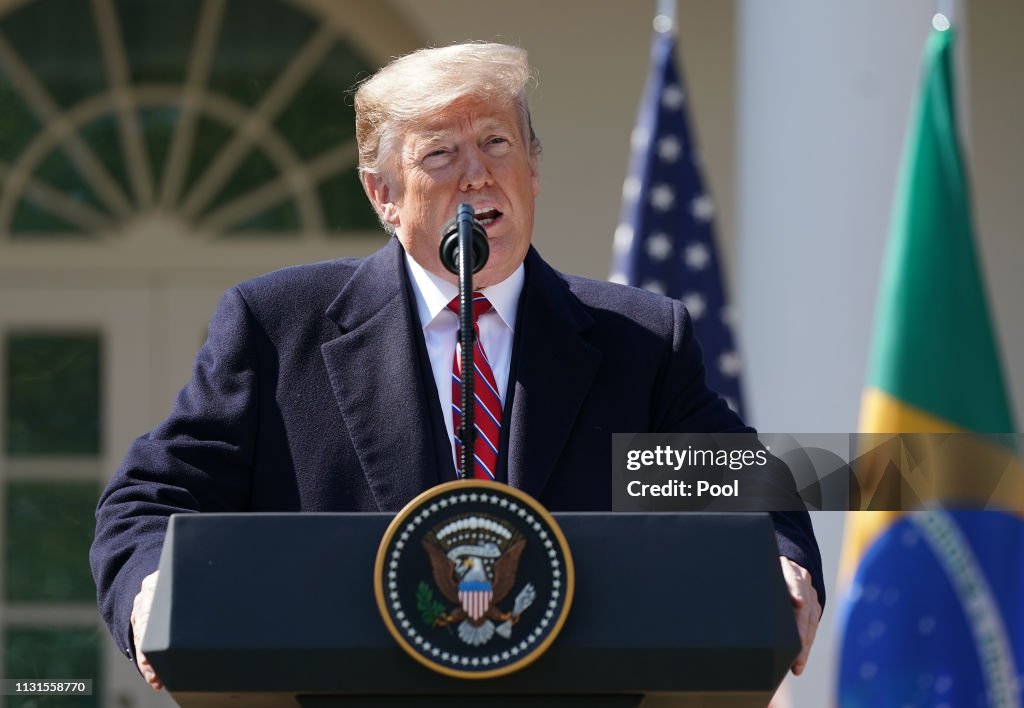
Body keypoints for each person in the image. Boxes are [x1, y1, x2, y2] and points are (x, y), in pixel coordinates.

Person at [91, 42, 824, 692]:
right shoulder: (278, 327)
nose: (476, 176)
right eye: (439, 153)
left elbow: (745, 494)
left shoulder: (638, 339)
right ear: (383, 194)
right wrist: (156, 589)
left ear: (534, 166)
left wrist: (780, 558)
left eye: (498, 142)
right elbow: (149, 500)